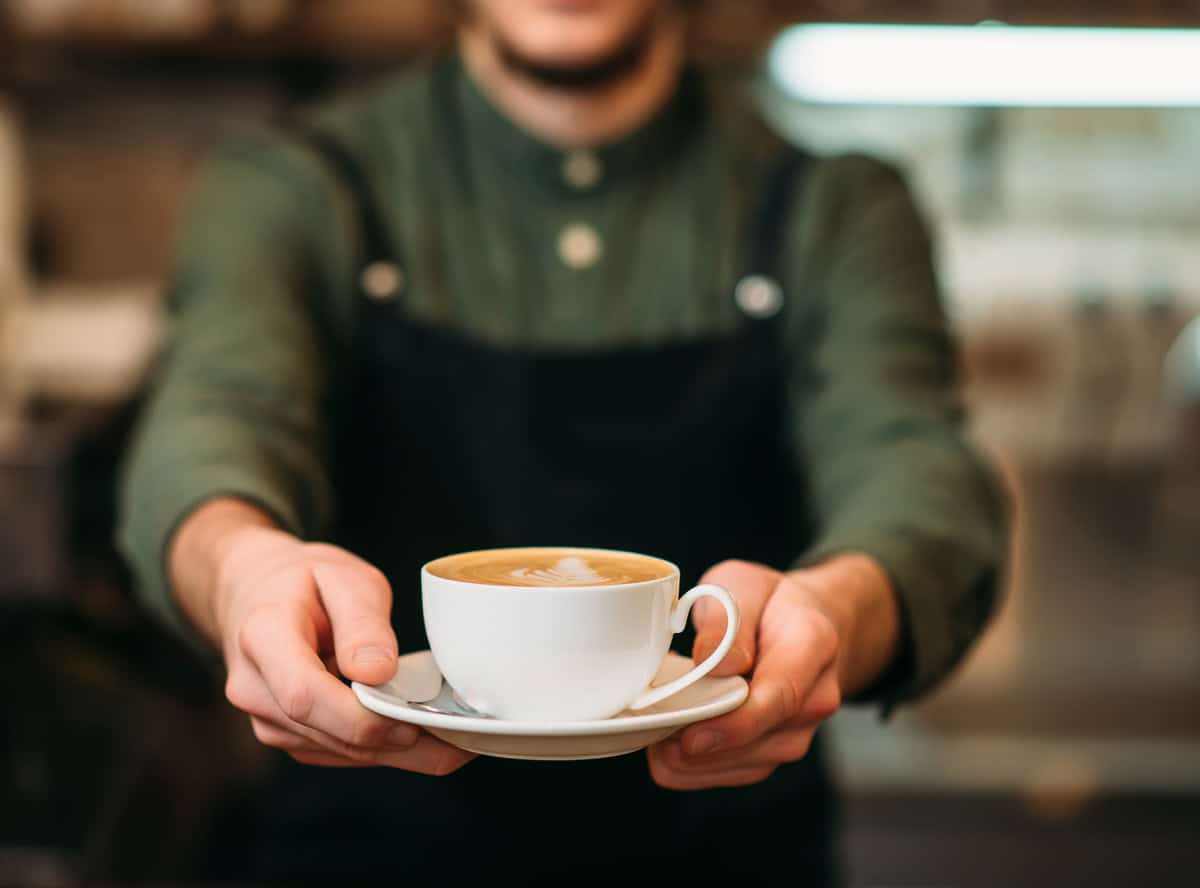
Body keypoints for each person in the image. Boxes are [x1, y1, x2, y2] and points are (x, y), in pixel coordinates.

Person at [118, 0, 1007, 883]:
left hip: (730, 850)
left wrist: (840, 609)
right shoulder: (293, 185)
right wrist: (242, 570)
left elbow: (914, 465)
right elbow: (214, 417)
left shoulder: (838, 204)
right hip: (367, 847)